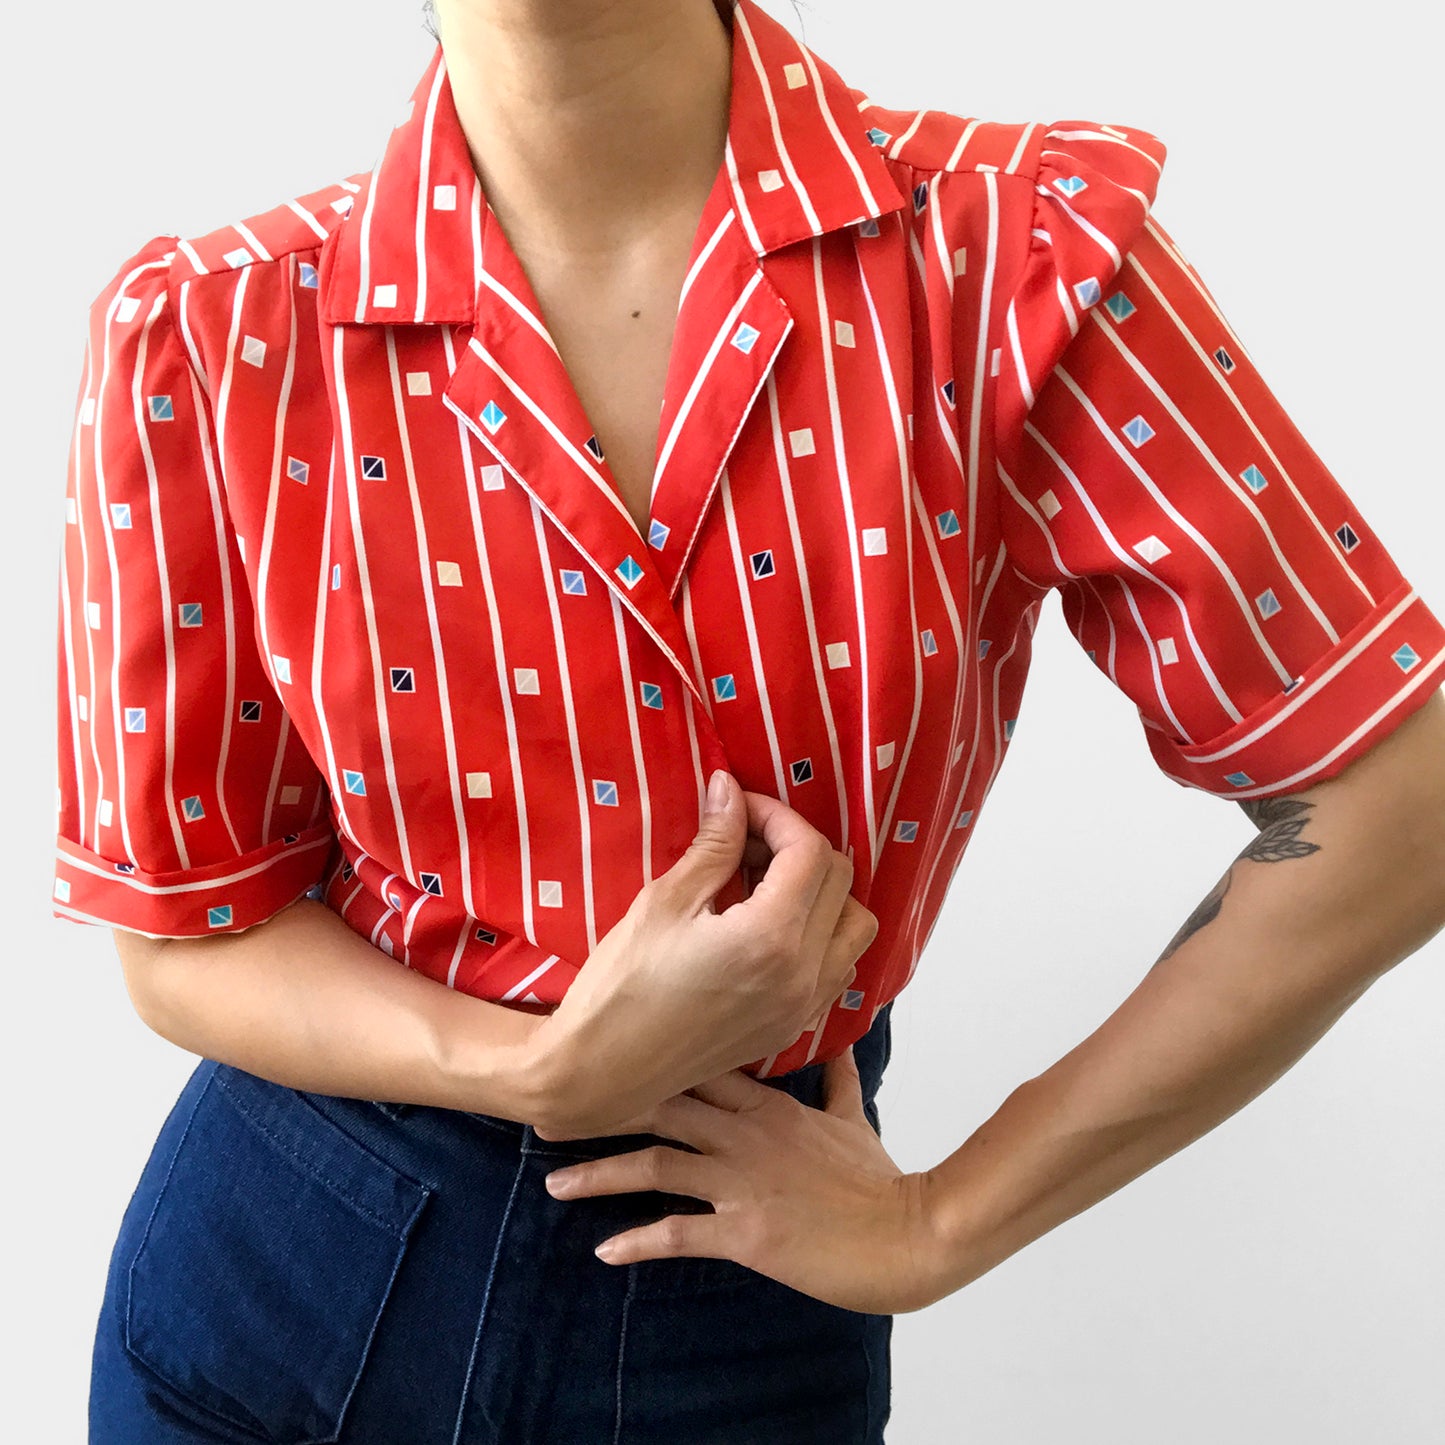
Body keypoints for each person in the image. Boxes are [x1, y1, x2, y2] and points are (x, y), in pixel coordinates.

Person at [53, 0, 1445, 1439]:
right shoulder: (211, 330)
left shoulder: (1014, 252)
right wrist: (535, 1068)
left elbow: (1399, 804)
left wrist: (944, 1220)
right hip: (275, 1282)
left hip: (732, 1306)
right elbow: (181, 933)